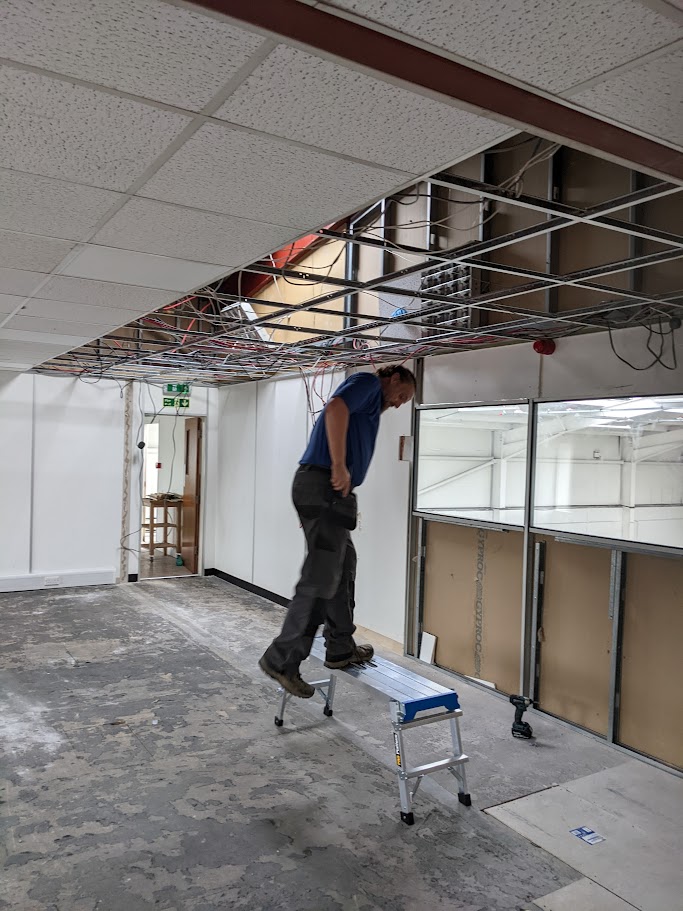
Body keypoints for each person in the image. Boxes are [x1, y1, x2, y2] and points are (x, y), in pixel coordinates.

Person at [259, 365, 416, 698]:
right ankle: (281, 659)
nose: (400, 404)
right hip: (324, 485)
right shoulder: (369, 384)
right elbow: (335, 408)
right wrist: (340, 464)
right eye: (402, 396)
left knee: (343, 566)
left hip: (329, 492)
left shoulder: (372, 402)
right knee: (320, 580)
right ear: (394, 378)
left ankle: (340, 648)